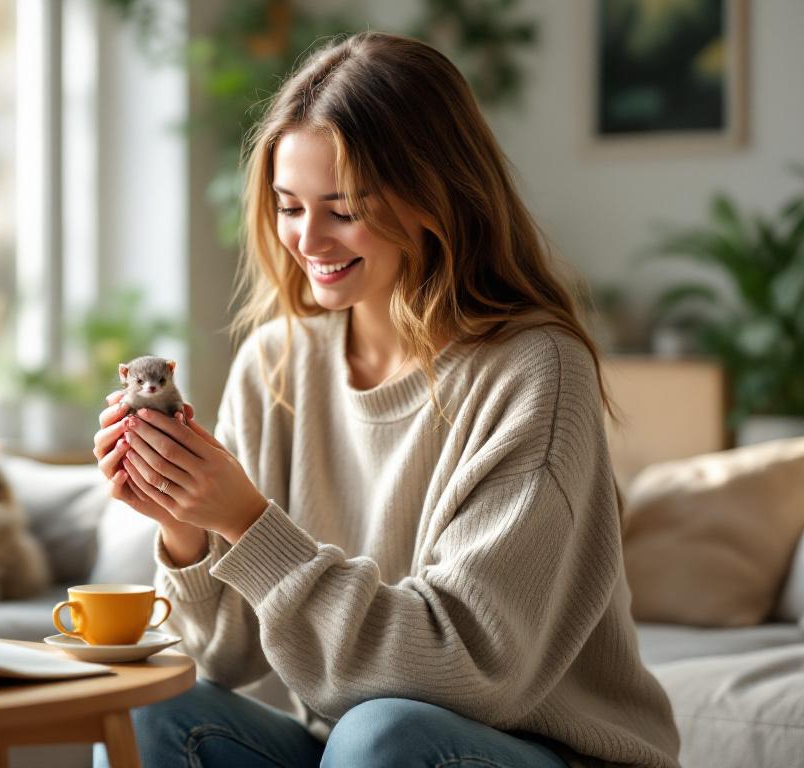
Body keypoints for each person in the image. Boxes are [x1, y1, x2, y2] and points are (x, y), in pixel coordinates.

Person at [90, 31, 680, 768]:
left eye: (342, 210)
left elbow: (464, 672)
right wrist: (185, 519)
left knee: (382, 737)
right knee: (147, 713)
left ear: (434, 197)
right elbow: (220, 658)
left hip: (529, 751)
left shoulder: (534, 370)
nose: (309, 240)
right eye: (289, 206)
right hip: (355, 749)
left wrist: (245, 521)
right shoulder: (275, 362)